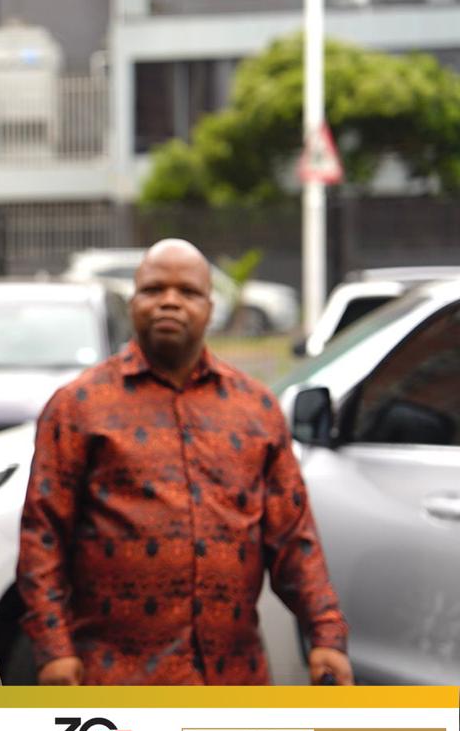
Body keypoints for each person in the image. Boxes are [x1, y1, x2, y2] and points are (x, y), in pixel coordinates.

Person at [18, 239, 352, 686]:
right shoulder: (78, 406)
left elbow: (294, 538)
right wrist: (54, 650)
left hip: (233, 679)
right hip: (114, 679)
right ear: (133, 302)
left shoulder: (256, 409)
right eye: (154, 289)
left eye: (188, 292)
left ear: (210, 308)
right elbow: (43, 536)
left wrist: (326, 634)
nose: (170, 302)